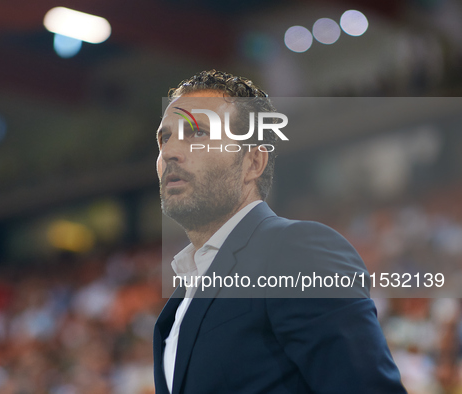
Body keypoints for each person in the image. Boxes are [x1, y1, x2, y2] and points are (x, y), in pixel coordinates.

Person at [153, 70, 407, 394]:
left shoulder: (296, 250)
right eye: (165, 138)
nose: (171, 152)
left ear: (253, 162)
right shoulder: (182, 298)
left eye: (197, 133)